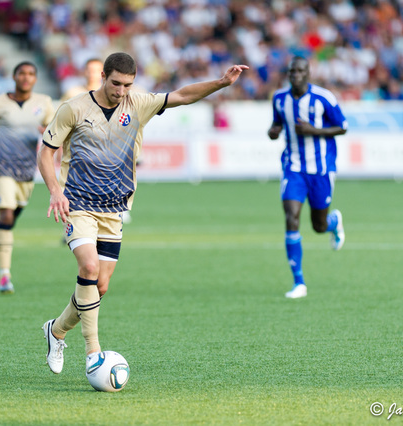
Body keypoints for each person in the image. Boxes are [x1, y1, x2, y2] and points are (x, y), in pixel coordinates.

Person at [37, 52, 247, 374]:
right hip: (77, 203)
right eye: (116, 83)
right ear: (104, 76)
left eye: (128, 85)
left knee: (100, 286)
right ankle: (94, 351)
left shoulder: (138, 104)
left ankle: (56, 330)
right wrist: (55, 191)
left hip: (114, 208)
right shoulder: (74, 108)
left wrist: (220, 83)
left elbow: (183, 96)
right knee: (89, 266)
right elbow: (47, 152)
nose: (121, 91)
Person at [0, 61, 55, 294]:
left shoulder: (43, 103)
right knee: (5, 216)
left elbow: (54, 130)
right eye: (22, 73)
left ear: (35, 79)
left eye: (31, 74)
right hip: (2, 166)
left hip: (27, 170)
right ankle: (5, 276)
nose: (26, 77)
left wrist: (47, 134)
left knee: (8, 222)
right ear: (14, 77)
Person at [267, 56, 347, 299]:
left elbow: (342, 126)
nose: (296, 75)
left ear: (308, 73)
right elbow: (276, 125)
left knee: (318, 225)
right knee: (291, 218)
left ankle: (333, 222)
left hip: (321, 169)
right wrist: (273, 131)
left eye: (301, 71)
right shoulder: (280, 99)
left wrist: (315, 131)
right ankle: (298, 282)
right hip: (293, 167)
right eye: (292, 71)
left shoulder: (324, 97)